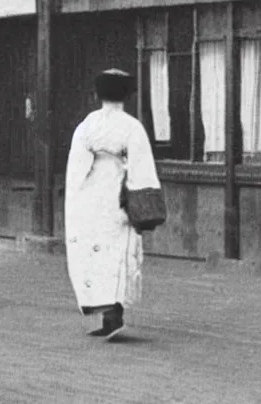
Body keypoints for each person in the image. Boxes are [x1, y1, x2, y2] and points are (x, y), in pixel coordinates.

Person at [65, 68, 161, 340]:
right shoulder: (131, 127)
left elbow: (76, 168)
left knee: (94, 253)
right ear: (127, 95)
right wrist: (139, 197)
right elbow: (142, 168)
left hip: (90, 196)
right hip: (119, 196)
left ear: (97, 94)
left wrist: (77, 200)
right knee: (117, 253)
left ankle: (107, 313)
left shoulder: (86, 126)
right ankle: (113, 313)